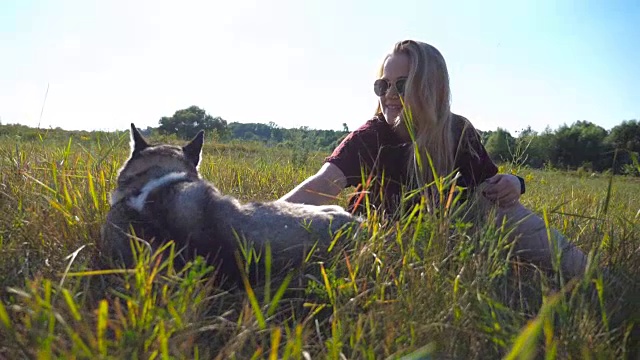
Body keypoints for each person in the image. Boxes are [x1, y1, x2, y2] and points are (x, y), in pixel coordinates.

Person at [279, 39, 589, 279]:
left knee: (505, 212)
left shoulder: (458, 131)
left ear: (431, 87)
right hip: (377, 240)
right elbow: (321, 185)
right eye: (382, 84)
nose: (389, 93)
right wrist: (265, 218)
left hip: (447, 244)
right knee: (323, 231)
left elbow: (491, 188)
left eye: (402, 84)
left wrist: (515, 183)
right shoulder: (369, 138)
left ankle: (591, 275)